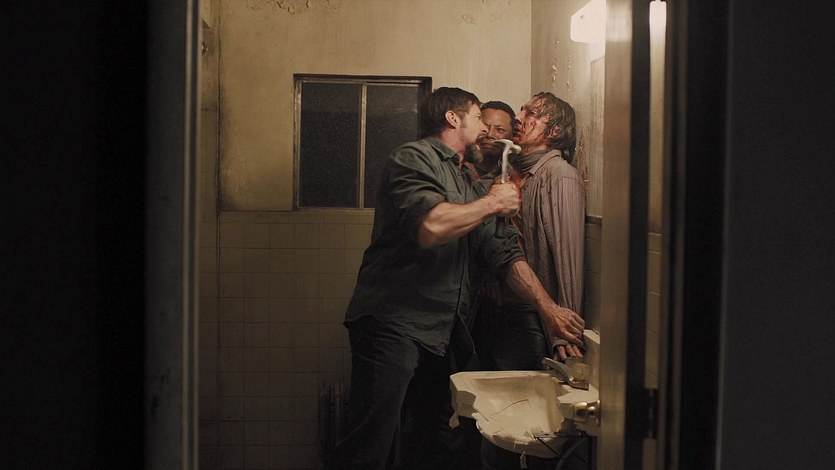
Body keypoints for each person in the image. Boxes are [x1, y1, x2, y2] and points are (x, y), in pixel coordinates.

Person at [334, 87, 585, 470]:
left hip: (441, 334)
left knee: (433, 440)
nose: (486, 128)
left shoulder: (465, 176)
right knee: (369, 444)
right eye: (478, 117)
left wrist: (549, 309)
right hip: (393, 327)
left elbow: (502, 252)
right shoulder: (413, 158)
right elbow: (430, 225)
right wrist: (493, 203)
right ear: (453, 118)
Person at [477, 91, 587, 469]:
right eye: (523, 110)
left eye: (532, 113)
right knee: (497, 425)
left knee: (528, 432)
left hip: (531, 319)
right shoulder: (515, 171)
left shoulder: (559, 176)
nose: (520, 116)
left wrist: (563, 330)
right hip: (502, 312)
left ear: (553, 131)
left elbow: (568, 259)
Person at [471, 100, 516, 178]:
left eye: (499, 130)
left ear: (512, 136)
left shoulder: (517, 173)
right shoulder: (458, 167)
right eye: (484, 127)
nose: (490, 134)